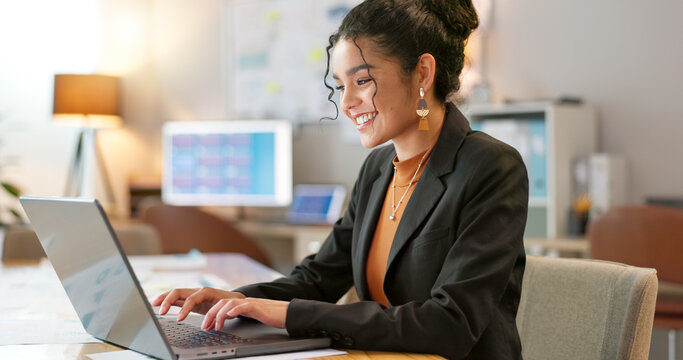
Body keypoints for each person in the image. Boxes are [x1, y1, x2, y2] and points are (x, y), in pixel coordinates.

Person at [152, 0, 528, 358]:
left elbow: (449, 324)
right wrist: (230, 300)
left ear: (422, 74)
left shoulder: (491, 167)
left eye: (362, 80)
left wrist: (289, 315)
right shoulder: (379, 168)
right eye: (339, 85)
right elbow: (318, 278)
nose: (346, 102)